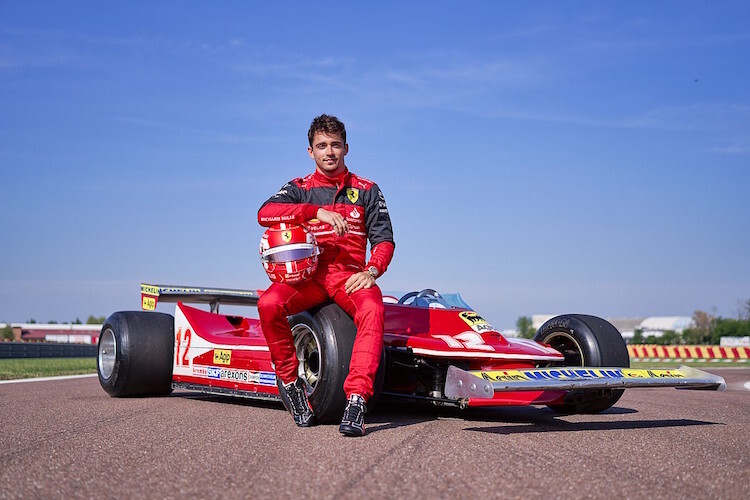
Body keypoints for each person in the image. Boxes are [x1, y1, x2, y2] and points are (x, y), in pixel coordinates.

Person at [257, 114, 395, 436]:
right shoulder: (299, 189)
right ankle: (291, 385)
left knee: (373, 308)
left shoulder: (367, 190)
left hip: (349, 277)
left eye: (335, 145)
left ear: (346, 148)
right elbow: (264, 213)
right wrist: (314, 211)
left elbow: (384, 240)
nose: (329, 152)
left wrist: (373, 270)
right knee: (268, 304)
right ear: (311, 152)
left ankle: (357, 401)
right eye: (321, 146)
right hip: (307, 278)